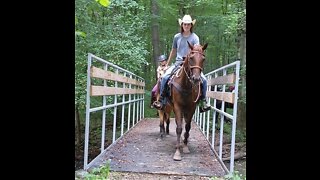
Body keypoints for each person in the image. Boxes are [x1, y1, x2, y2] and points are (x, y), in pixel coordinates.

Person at [153, 14, 211, 113]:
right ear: (182, 25)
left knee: (204, 80)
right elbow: (173, 50)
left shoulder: (195, 37)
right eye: (185, 24)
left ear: (191, 25)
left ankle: (203, 101)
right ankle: (161, 100)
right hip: (178, 63)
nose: (186, 26)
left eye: (188, 24)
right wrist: (167, 64)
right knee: (165, 77)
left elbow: (197, 51)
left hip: (191, 65)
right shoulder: (177, 37)